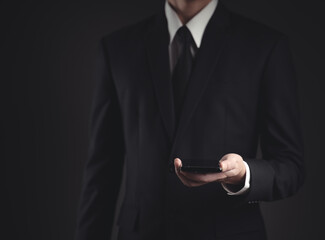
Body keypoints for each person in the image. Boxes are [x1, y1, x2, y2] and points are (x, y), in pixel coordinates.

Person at [74, 0, 305, 239]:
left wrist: (243, 174)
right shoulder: (117, 48)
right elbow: (102, 172)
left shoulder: (264, 46)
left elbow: (290, 166)